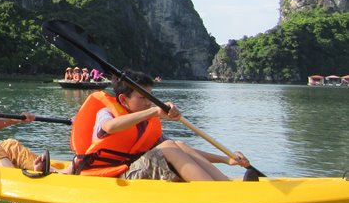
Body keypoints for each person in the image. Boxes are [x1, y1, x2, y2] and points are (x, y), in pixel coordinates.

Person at [70, 69, 249, 181]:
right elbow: (110, 127)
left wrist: (226, 159)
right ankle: (213, 192)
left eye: (151, 97)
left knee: (179, 145)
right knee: (169, 148)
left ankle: (223, 183)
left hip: (130, 169)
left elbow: (186, 152)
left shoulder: (146, 123)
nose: (149, 102)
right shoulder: (106, 113)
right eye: (143, 98)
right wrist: (155, 111)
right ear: (124, 99)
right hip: (109, 175)